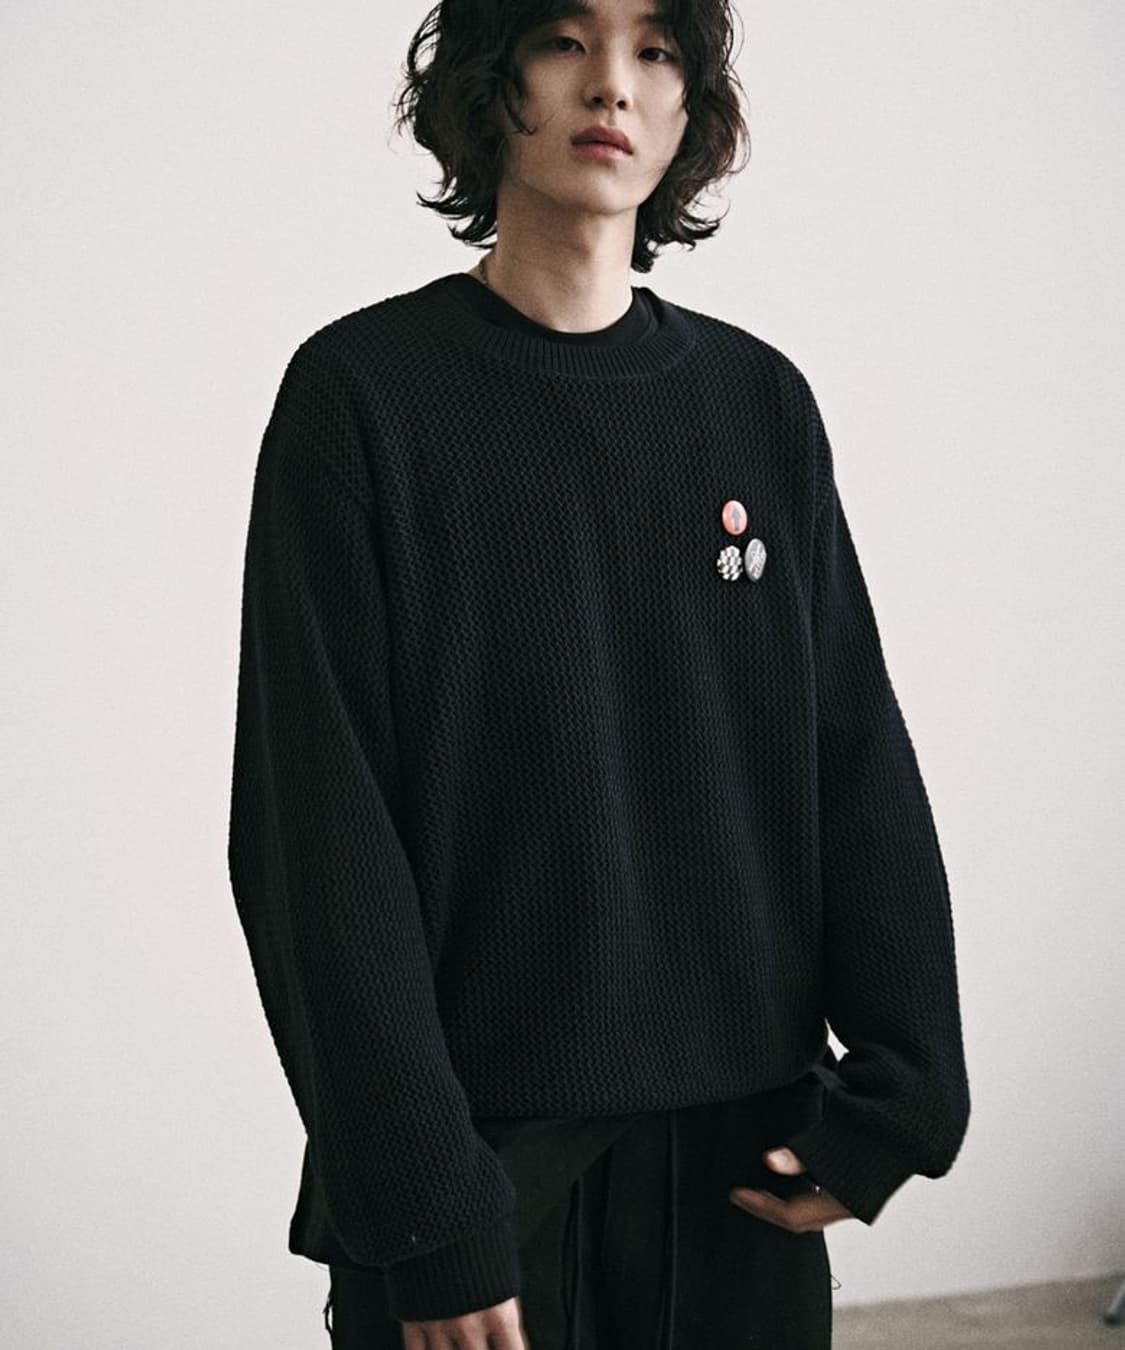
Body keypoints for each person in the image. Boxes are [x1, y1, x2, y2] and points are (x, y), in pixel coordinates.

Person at [225, 1, 972, 1346]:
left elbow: (853, 755)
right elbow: (313, 834)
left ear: (691, 110)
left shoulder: (757, 403)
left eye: (656, 50)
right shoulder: (363, 398)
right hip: (480, 1162)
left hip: (746, 1158)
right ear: (488, 78)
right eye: (565, 39)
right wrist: (422, 1205)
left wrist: (905, 1093)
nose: (613, 84)